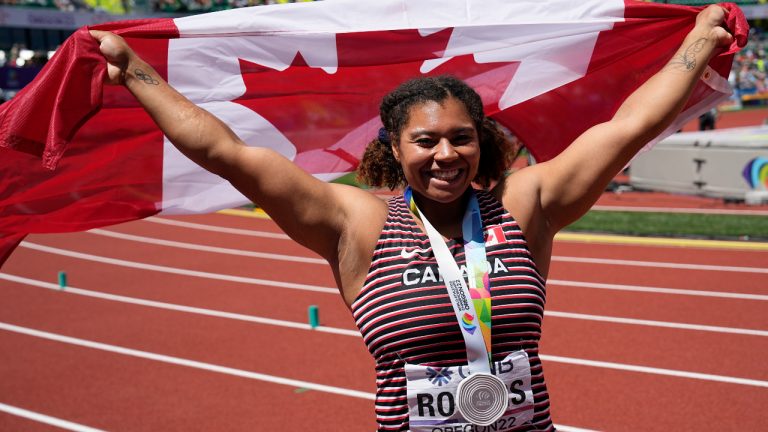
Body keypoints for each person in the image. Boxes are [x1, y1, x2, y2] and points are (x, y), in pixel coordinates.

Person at [89, 5, 733, 431]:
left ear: (481, 140)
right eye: (426, 141)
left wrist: (700, 42)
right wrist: (137, 72)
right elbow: (227, 154)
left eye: (461, 137)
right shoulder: (355, 224)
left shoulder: (522, 205)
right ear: (393, 149)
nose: (446, 154)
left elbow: (629, 127)